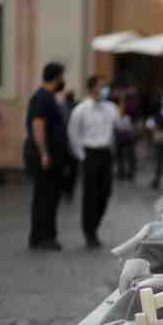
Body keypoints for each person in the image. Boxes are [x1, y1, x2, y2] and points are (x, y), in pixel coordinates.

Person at [67, 76, 119, 248]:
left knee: (105, 192)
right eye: (100, 86)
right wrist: (81, 156)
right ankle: (89, 232)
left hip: (105, 153)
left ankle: (94, 224)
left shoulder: (111, 108)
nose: (104, 89)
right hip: (89, 153)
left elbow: (118, 128)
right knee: (90, 195)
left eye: (105, 86)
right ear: (91, 89)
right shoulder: (80, 110)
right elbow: (73, 134)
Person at [24, 62, 67, 250]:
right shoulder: (42, 98)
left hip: (49, 155)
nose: (63, 81)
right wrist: (44, 153)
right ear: (56, 77)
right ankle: (43, 237)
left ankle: (42, 236)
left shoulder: (47, 97)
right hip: (45, 156)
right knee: (45, 196)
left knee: (47, 195)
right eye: (62, 77)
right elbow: (38, 126)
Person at [113, 96, 136, 181]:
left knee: (129, 156)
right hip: (121, 137)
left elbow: (130, 126)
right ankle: (121, 172)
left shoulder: (129, 111)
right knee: (121, 156)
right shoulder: (117, 110)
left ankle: (129, 172)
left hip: (127, 137)